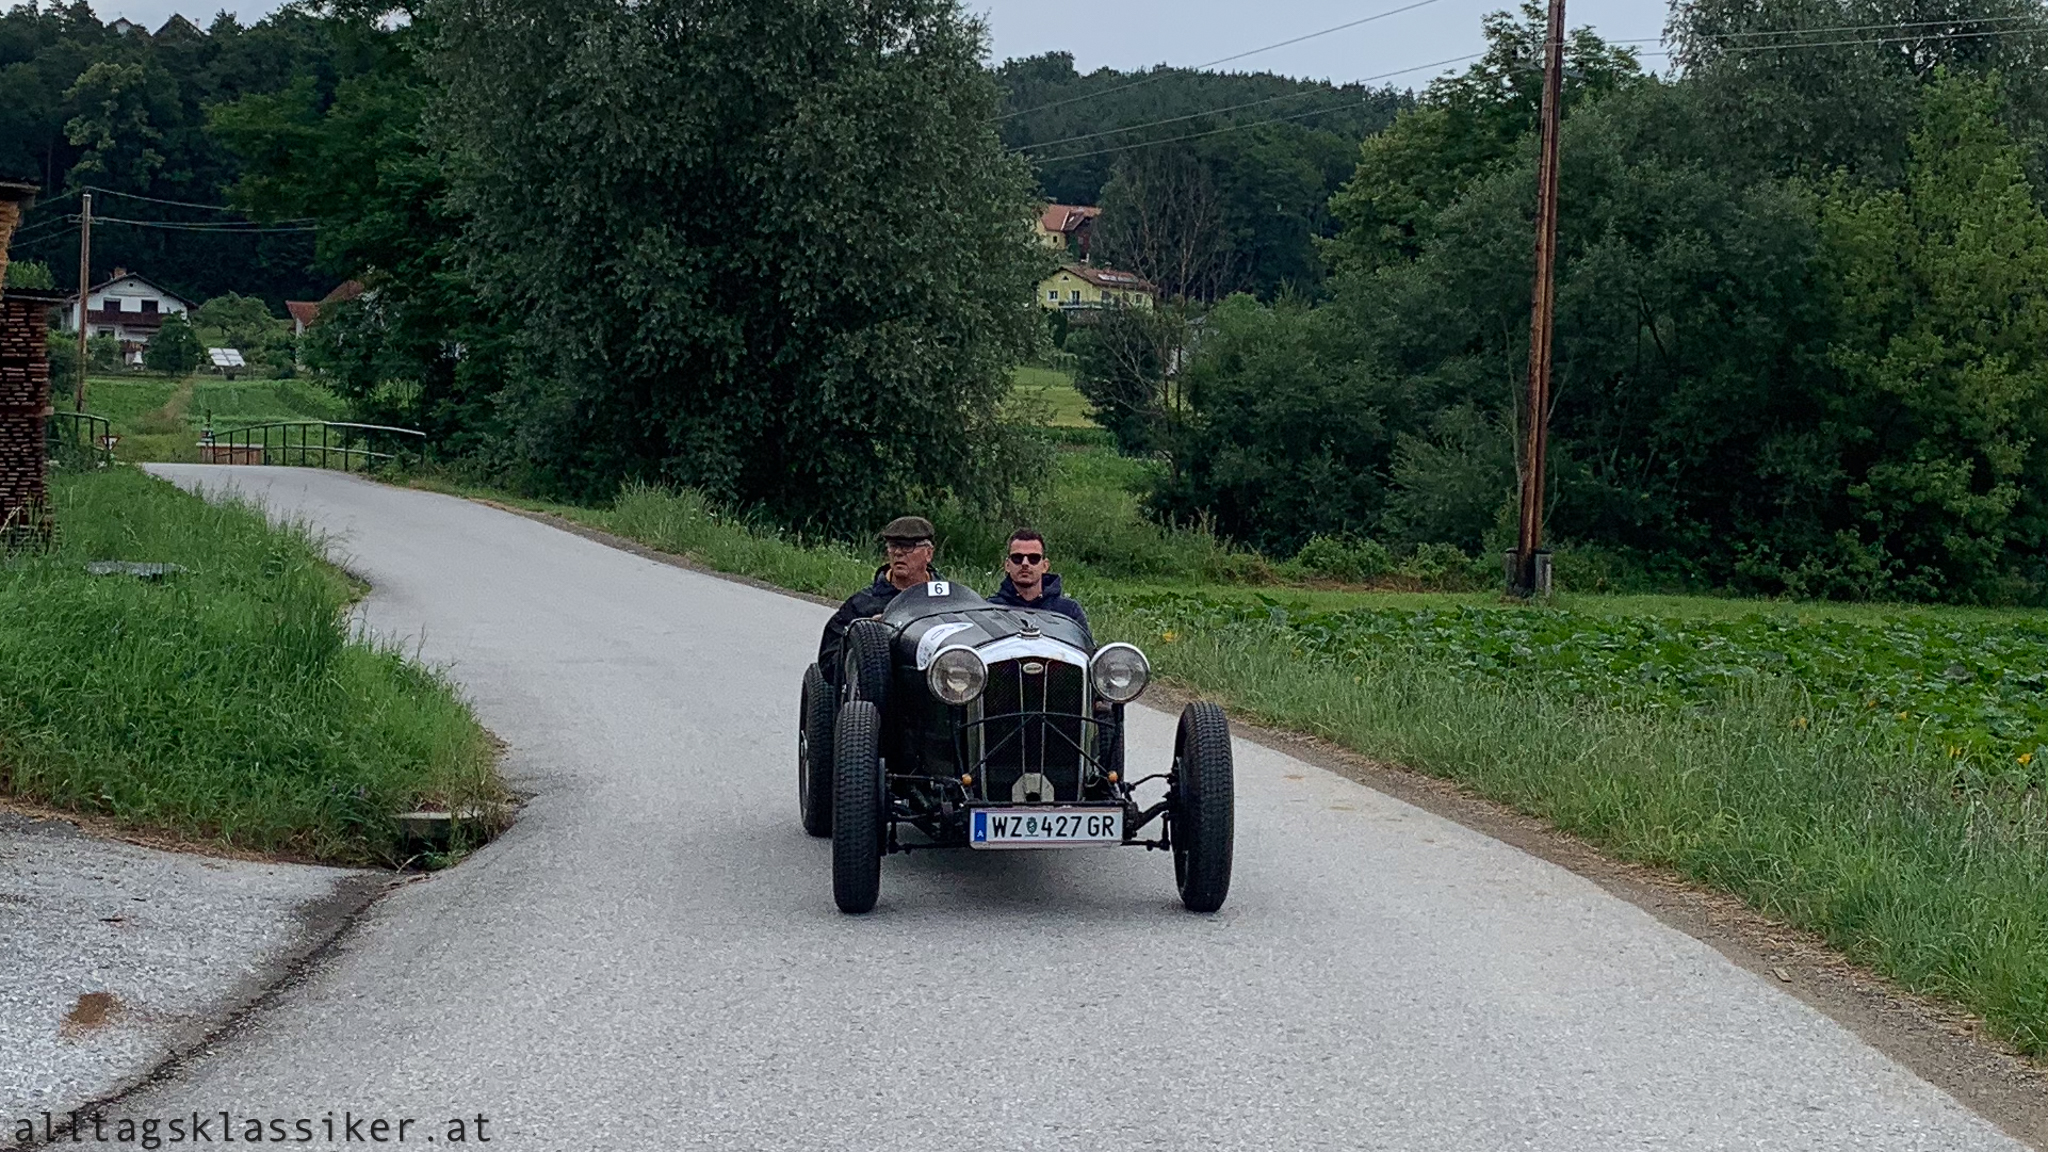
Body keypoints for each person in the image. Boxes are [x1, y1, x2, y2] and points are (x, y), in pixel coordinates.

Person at [818, 515, 940, 675]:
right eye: (893, 546)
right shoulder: (862, 604)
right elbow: (828, 663)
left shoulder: (947, 600)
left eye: (907, 546)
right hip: (882, 686)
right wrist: (864, 637)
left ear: (928, 554)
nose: (898, 553)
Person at [987, 528, 1088, 632]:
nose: (1025, 563)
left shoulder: (1069, 611)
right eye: (1017, 558)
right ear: (1007, 565)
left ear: (1045, 566)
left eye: (1033, 558)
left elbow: (1084, 643)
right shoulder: (990, 610)